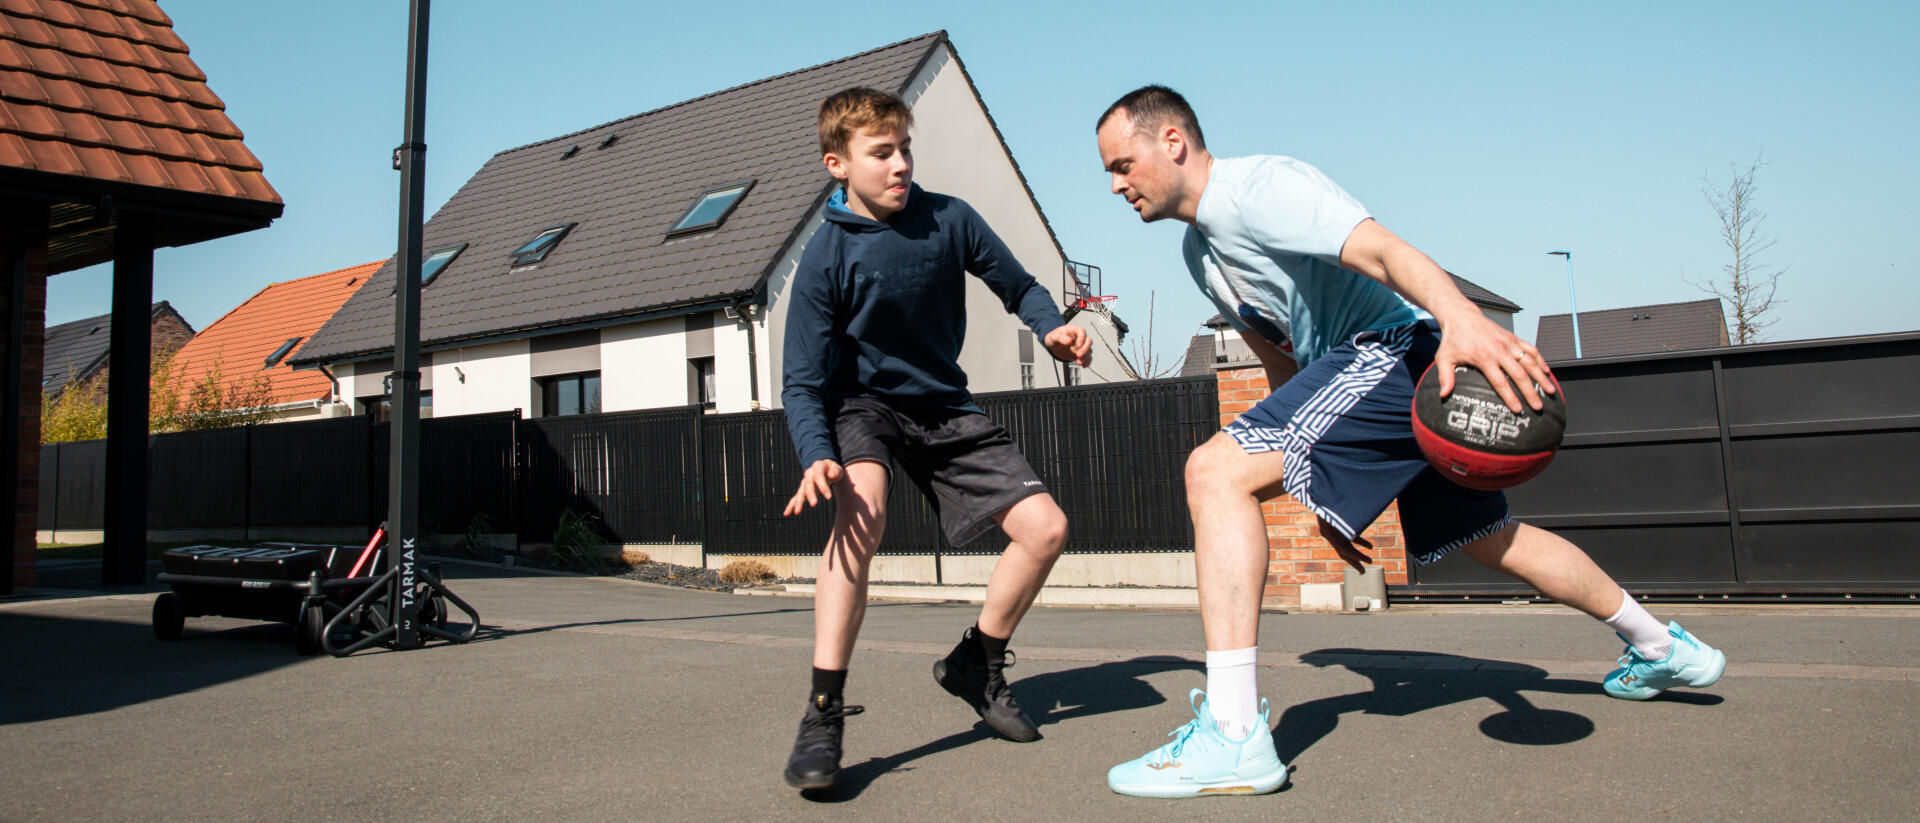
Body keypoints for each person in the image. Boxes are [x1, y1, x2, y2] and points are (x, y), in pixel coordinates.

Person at [1092, 85, 1726, 799]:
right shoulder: (1199, 254)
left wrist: (1462, 319)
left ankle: (1234, 735)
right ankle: (1663, 646)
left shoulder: (1260, 189)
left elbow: (1386, 252)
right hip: (1363, 376)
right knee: (1494, 538)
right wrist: (1310, 477)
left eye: (1122, 164)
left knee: (1210, 472)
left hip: (1390, 352)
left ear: (1172, 141)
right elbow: (1282, 362)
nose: (1116, 184)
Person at [779, 86, 1094, 792]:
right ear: (838, 163)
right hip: (862, 405)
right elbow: (800, 381)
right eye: (881, 153)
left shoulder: (949, 220)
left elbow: (1018, 284)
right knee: (862, 508)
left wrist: (1051, 327)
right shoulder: (824, 259)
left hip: (943, 404)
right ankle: (823, 710)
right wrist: (817, 453)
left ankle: (975, 661)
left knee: (1046, 528)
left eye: (905, 150)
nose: (901, 165)